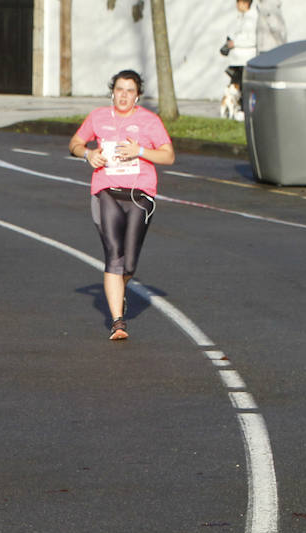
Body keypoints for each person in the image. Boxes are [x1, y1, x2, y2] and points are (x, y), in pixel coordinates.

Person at [68, 69, 175, 341]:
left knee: (129, 263)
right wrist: (88, 153)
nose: (124, 95)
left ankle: (120, 290)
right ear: (112, 92)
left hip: (140, 194)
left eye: (129, 90)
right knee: (114, 255)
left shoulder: (149, 121)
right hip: (107, 191)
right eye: (119, 89)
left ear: (137, 95)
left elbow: (168, 156)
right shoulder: (98, 117)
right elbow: (75, 143)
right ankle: (118, 322)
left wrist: (138, 151)